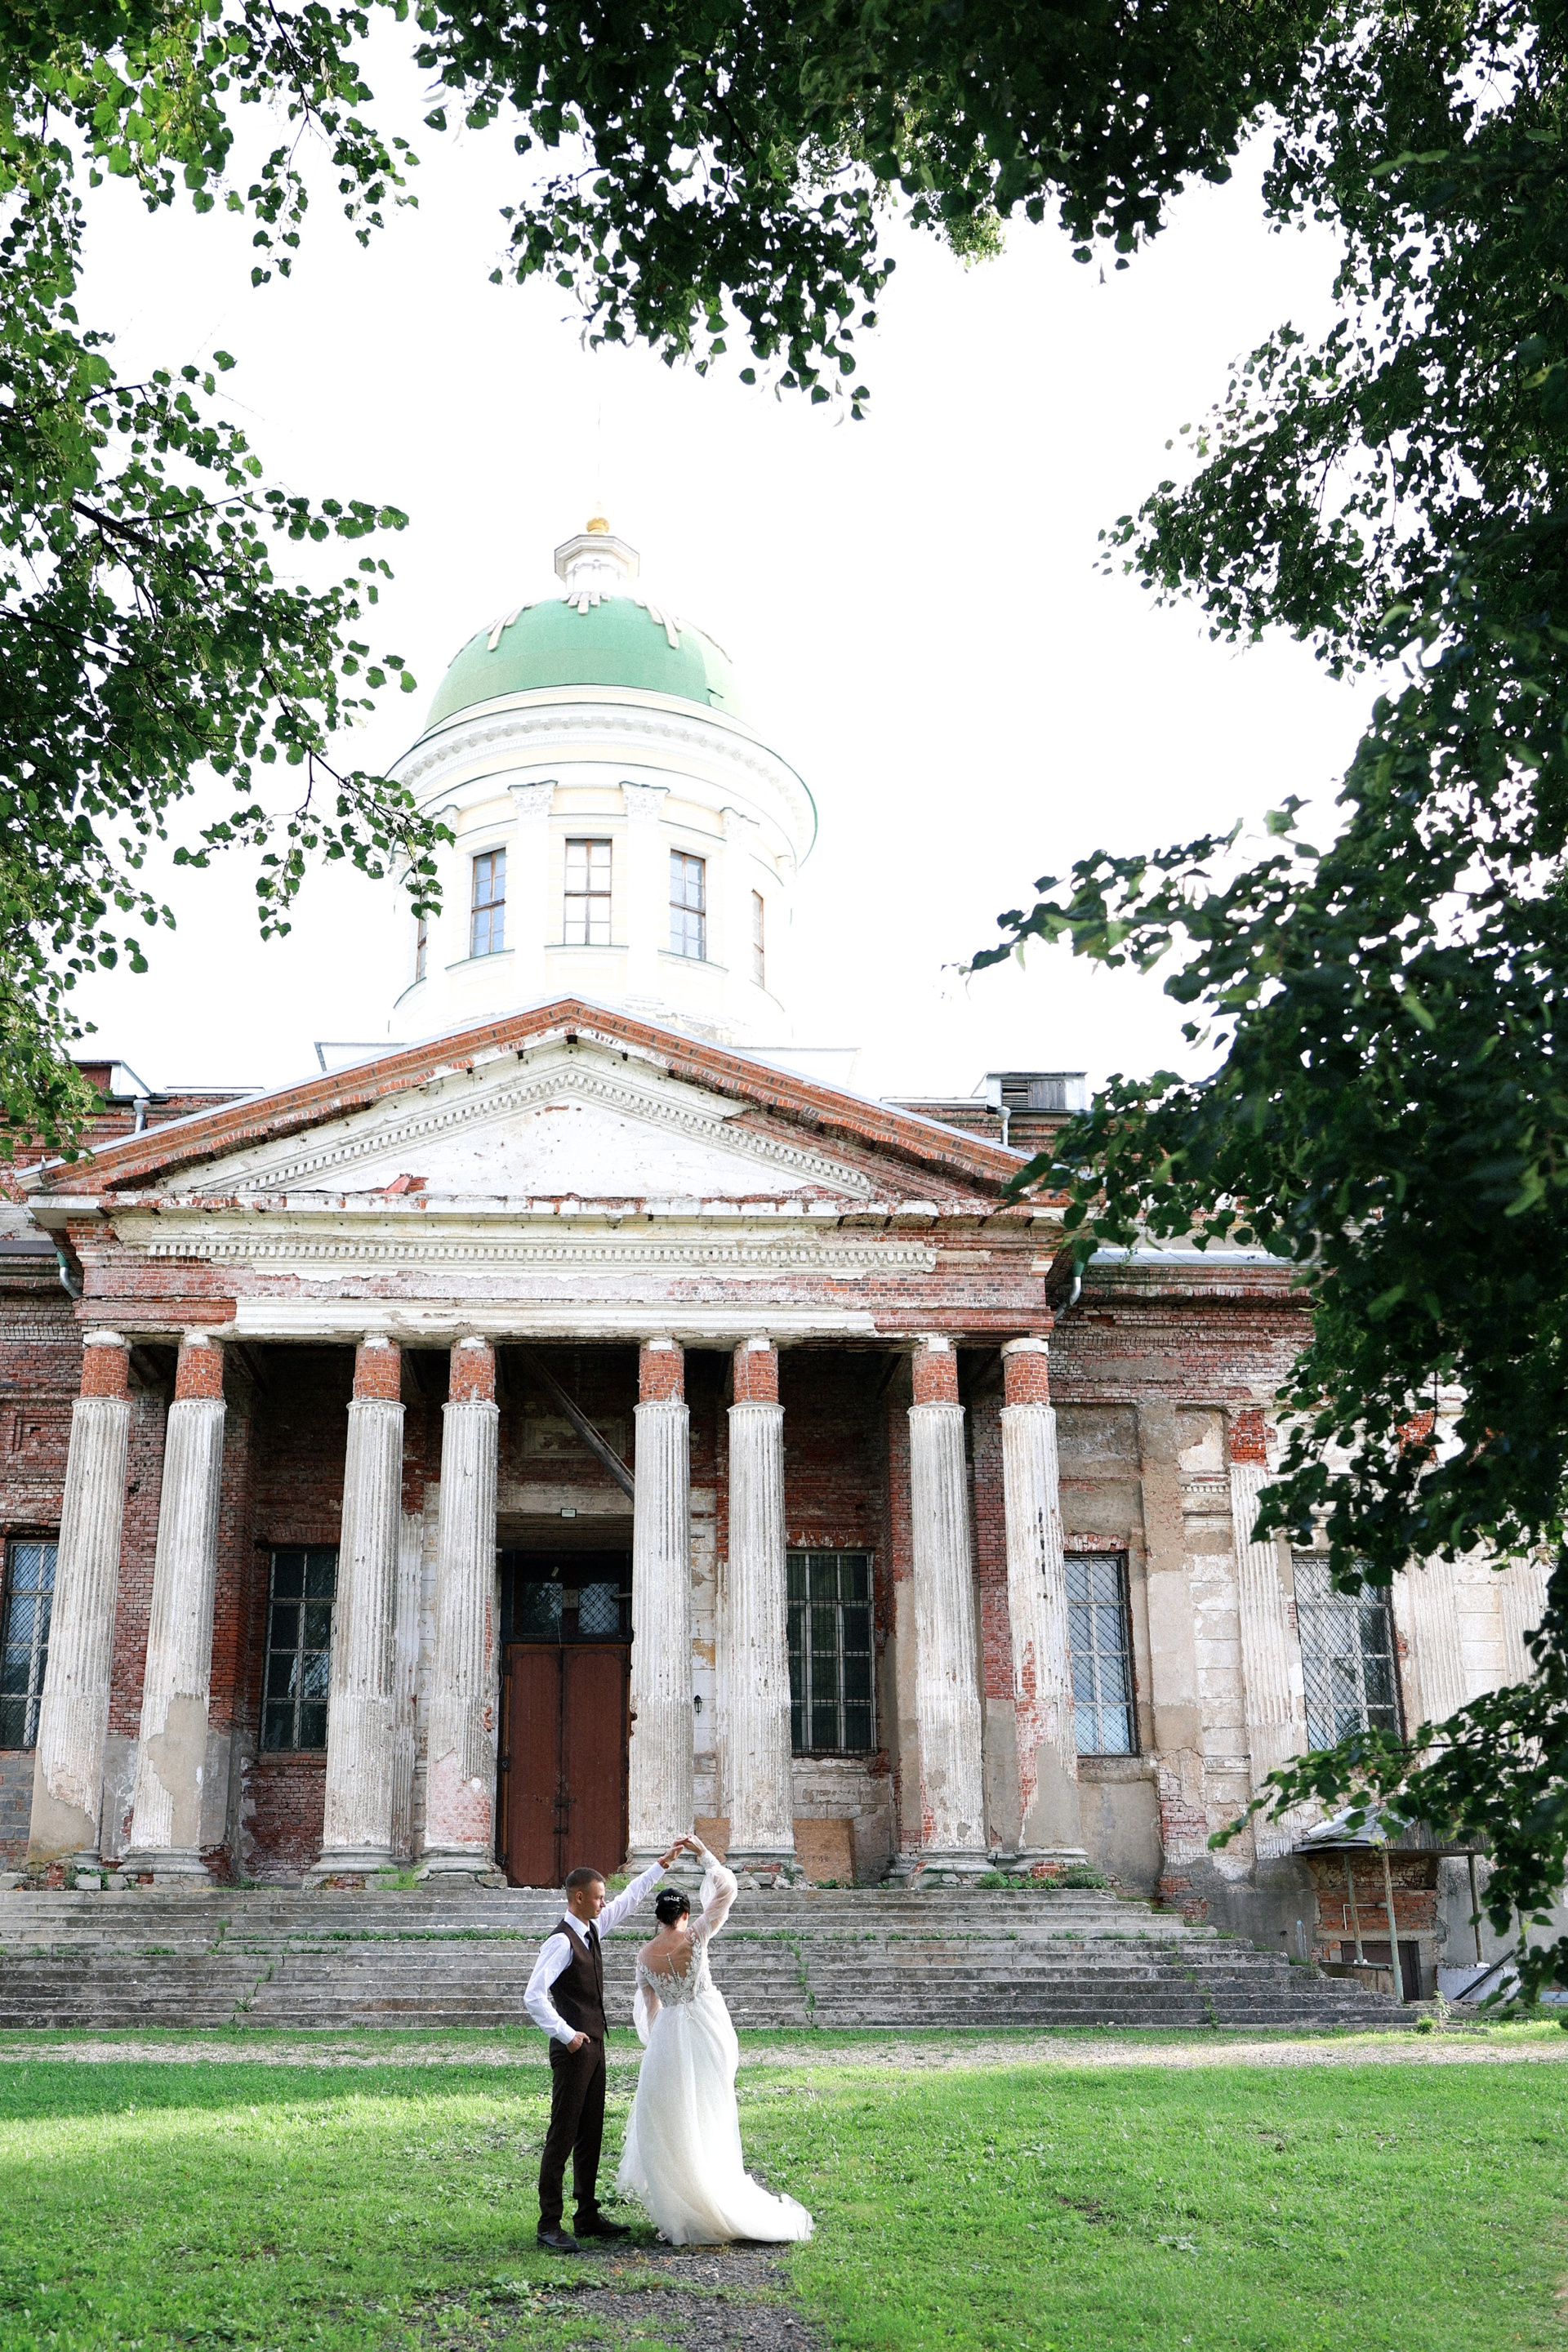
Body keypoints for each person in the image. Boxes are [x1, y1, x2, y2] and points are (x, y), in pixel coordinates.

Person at [617, 1834, 813, 2245]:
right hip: (705, 2028)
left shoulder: (644, 1956)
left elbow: (650, 2009)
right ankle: (712, 2190)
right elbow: (726, 1891)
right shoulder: (696, 1936)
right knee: (709, 2109)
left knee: (672, 2118)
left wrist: (657, 2044)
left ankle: (679, 2209)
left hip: (669, 2035)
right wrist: (704, 1853)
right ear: (685, 1914)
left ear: (658, 1917)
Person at [525, 1841, 687, 2253]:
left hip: (595, 2046)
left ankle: (586, 2214)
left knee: (591, 2131)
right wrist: (567, 2034)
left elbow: (629, 1899)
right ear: (579, 1898)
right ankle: (549, 2223)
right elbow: (533, 1995)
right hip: (574, 2049)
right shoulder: (561, 1942)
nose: (604, 1903)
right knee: (563, 2134)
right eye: (598, 1897)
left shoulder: (592, 1927)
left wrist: (661, 1865)